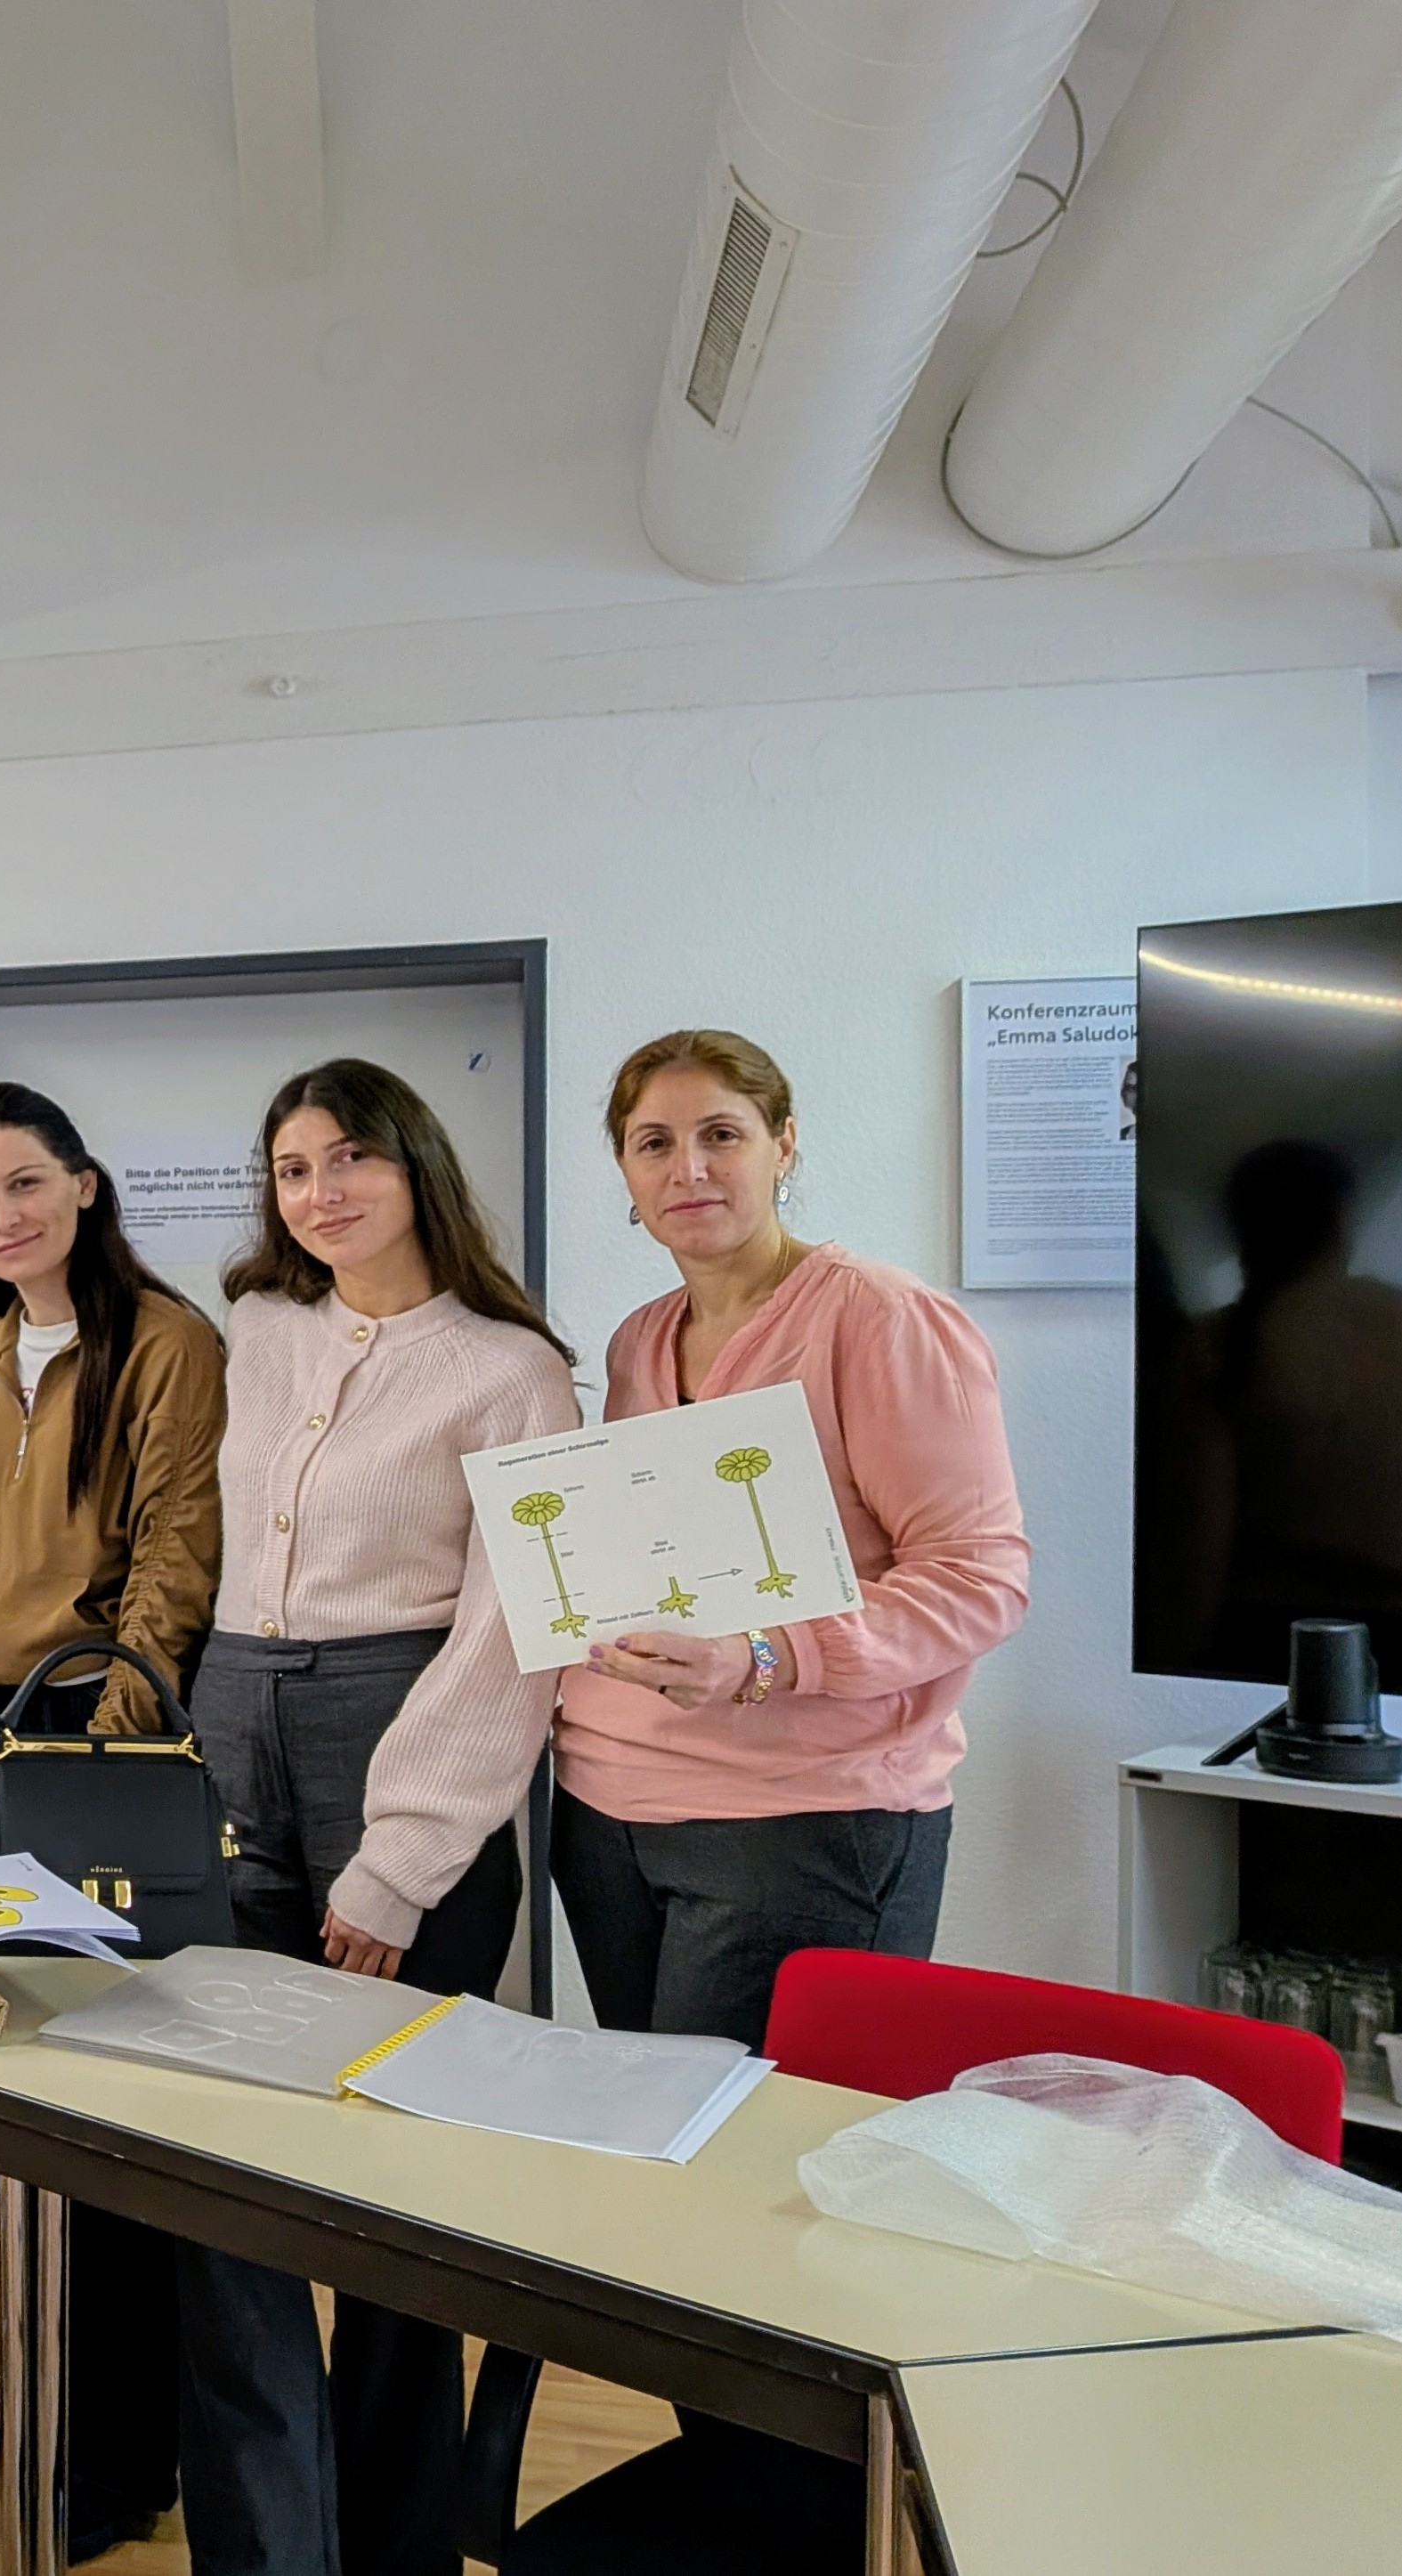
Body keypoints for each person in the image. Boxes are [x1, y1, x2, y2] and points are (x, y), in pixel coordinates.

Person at [512, 1030, 1028, 2576]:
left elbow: (978, 1574)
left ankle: (813, 2525)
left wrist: (764, 1656)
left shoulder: (878, 1323)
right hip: (614, 1817)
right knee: (685, 2202)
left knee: (777, 2214)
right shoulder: (632, 1338)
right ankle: (747, 2514)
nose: (689, 1170)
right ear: (618, 1171)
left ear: (786, 1142)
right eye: (654, 1143)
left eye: (721, 1134)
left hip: (804, 1816)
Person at [178, 1060, 579, 2576]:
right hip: (234, 1720)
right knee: (233, 2161)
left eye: (348, 1156)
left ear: (415, 1164)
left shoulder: (510, 1366)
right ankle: (265, 2543)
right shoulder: (262, 1329)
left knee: (401, 2177)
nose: (321, 1189)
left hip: (407, 1733)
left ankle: (402, 2538)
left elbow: (513, 1635)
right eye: (290, 1166)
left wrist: (403, 1857)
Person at [0, 1080, 223, 2561]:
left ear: (85, 1184)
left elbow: (177, 1538)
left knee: (115, 2103)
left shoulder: (166, 1341)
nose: (1, 1217)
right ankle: (53, 2413)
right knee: (26, 2102)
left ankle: (123, 2455)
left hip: (99, 1742)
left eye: (24, 1183)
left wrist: (113, 1727)